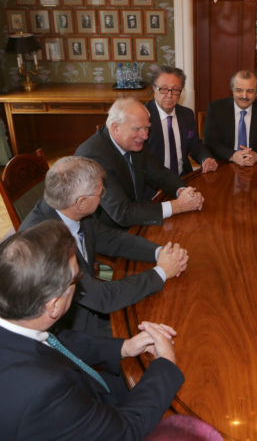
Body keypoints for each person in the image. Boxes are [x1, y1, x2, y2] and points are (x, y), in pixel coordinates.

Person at [0, 220, 185, 440]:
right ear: (54, 305)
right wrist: (165, 364)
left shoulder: (21, 315)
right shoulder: (46, 393)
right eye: (77, 279)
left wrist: (124, 347)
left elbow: (55, 340)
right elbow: (124, 433)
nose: (80, 283)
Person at [20, 156, 188, 337]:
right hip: (72, 329)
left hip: (91, 295)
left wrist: (159, 252)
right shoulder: (44, 246)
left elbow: (110, 238)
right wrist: (162, 272)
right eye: (100, 193)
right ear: (81, 202)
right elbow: (103, 298)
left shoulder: (66, 207)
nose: (103, 197)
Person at [75, 98, 204, 229]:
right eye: (137, 129)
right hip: (109, 233)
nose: (145, 136)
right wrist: (177, 206)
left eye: (147, 128)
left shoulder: (134, 143)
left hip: (138, 220)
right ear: (115, 128)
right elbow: (122, 212)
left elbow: (160, 174)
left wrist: (183, 192)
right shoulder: (93, 157)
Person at [146, 66, 218, 176]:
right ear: (154, 88)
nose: (169, 95)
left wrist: (205, 158)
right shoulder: (142, 117)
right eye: (164, 89)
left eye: (175, 90)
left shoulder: (187, 114)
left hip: (184, 178)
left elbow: (194, 145)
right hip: (154, 184)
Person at [204, 70, 257, 166]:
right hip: (224, 163)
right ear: (232, 89)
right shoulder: (216, 108)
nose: (244, 96)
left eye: (250, 91)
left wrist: (256, 156)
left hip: (256, 165)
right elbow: (210, 141)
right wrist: (233, 155)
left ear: (256, 91)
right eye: (239, 90)